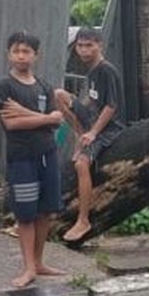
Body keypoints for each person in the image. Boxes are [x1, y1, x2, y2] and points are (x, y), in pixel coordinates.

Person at [0, 31, 67, 287]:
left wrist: (36, 117)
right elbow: (12, 124)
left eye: (26, 51)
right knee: (25, 214)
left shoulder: (44, 86)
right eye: (16, 51)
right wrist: (46, 119)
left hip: (47, 155)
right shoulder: (4, 86)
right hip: (21, 158)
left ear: (37, 55)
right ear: (9, 54)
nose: (21, 56)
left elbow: (59, 121)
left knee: (45, 211)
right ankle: (27, 268)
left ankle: (38, 262)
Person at [55, 27, 126, 244]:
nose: (84, 50)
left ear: (99, 45)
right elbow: (93, 101)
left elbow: (111, 107)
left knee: (81, 164)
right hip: (90, 121)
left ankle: (83, 219)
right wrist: (77, 108)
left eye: (89, 45)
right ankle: (80, 135)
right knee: (59, 94)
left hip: (109, 127)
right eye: (80, 46)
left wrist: (94, 133)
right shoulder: (92, 70)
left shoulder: (106, 70)